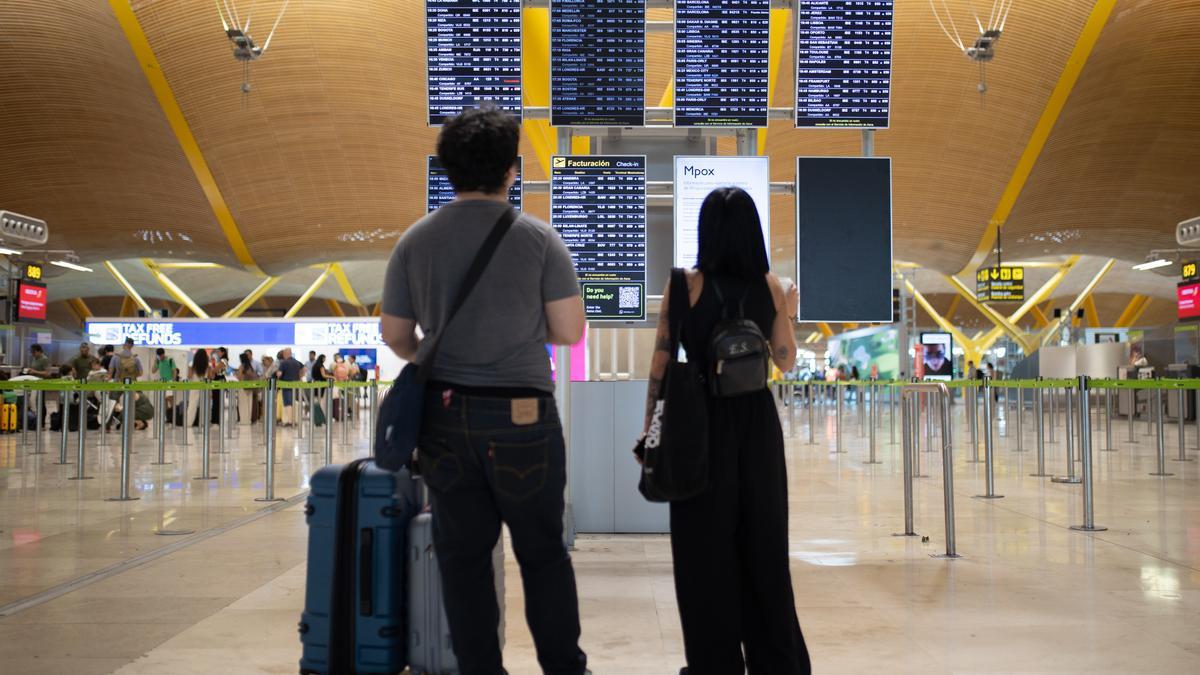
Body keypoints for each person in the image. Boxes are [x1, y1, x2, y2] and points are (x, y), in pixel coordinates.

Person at [381, 106, 588, 675]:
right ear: (511, 170)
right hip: (523, 417)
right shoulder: (539, 240)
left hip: (444, 419)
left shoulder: (415, 242)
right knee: (543, 555)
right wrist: (521, 331)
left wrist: (431, 351)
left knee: (464, 560)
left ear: (447, 169)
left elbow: (395, 335)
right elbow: (570, 330)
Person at [640, 187, 810, 674]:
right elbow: (784, 361)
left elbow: (660, 367)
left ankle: (713, 664)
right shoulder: (770, 286)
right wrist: (786, 313)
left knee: (703, 553)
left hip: (699, 425)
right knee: (764, 548)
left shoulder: (683, 286)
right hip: (756, 426)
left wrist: (651, 436)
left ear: (706, 232)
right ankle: (777, 663)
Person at [274, 348, 305, 426]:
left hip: (286, 385)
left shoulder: (284, 363)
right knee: (294, 402)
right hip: (296, 385)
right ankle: (295, 420)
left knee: (287, 403)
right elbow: (304, 369)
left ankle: (290, 421)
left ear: (285, 354)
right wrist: (299, 376)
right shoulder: (297, 362)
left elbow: (279, 374)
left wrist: (276, 374)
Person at [186, 349, 209, 429]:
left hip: (194, 386)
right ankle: (203, 422)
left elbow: (189, 376)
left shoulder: (192, 365)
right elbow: (209, 376)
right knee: (204, 405)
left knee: (192, 404)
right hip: (204, 386)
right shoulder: (207, 366)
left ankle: (189, 422)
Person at [236, 352, 258, 425]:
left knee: (242, 403)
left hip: (242, 386)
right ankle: (248, 419)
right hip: (250, 387)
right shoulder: (250, 366)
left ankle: (244, 420)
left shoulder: (242, 366)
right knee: (249, 403)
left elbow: (239, 377)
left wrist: (236, 374)